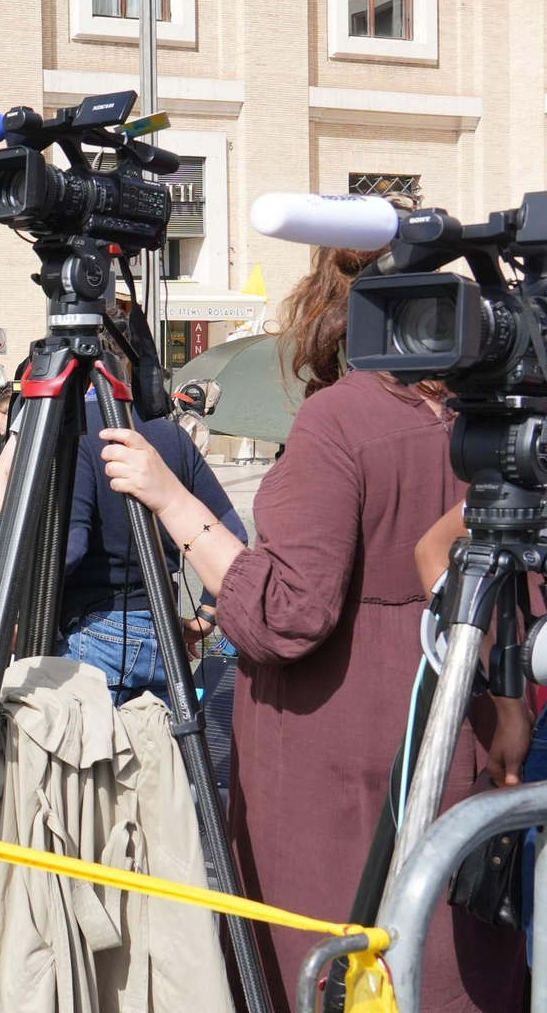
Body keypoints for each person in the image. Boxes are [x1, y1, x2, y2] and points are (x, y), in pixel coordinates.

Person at [93, 246, 528, 1011]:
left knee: (334, 958)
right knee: (444, 952)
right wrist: (514, 704)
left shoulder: (340, 418)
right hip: (464, 714)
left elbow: (289, 613)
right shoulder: (497, 425)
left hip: (331, 747)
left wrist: (173, 503)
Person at [0, 377, 245, 704]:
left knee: (90, 753)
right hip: (164, 628)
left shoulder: (77, 435)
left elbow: (69, 550)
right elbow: (233, 533)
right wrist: (206, 617)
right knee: (160, 752)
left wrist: (17, 609)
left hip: (95, 632)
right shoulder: (172, 433)